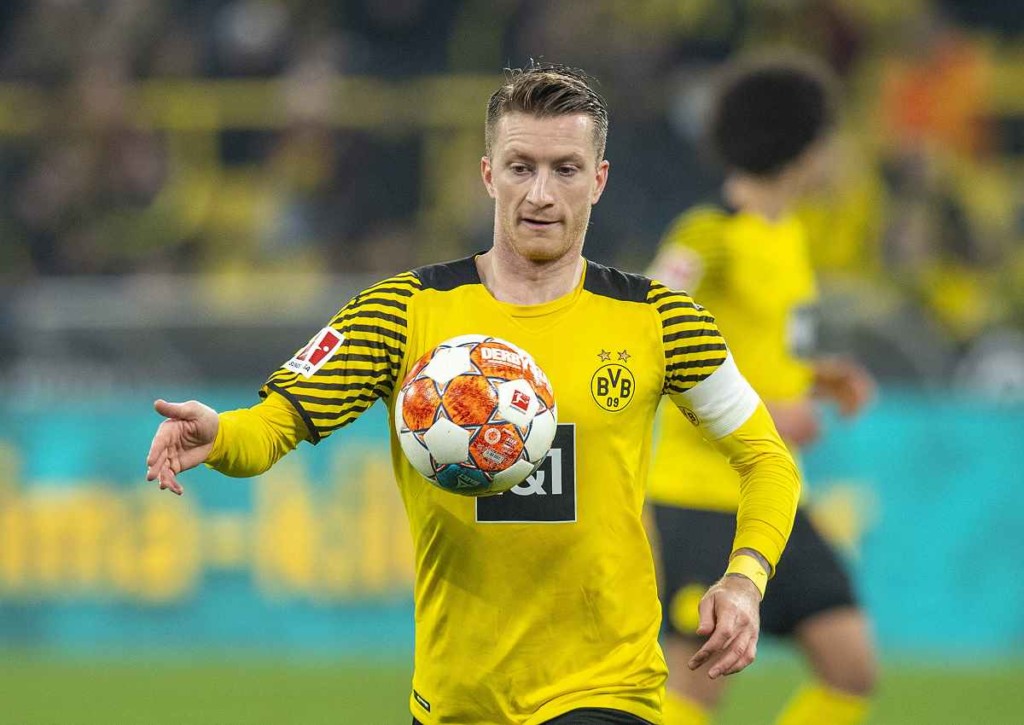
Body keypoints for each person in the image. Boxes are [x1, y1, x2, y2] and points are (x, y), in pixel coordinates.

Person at [145, 62, 801, 725]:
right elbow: (276, 423)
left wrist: (745, 579)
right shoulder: (403, 312)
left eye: (565, 170)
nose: (541, 193)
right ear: (489, 174)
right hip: (457, 696)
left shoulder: (658, 318)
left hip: (607, 686)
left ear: (598, 181)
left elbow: (767, 457)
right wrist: (220, 435)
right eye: (521, 167)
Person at [645, 54, 877, 725]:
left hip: (772, 495)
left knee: (852, 668)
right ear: (801, 146)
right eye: (826, 137)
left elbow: (768, 347)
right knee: (696, 686)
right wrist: (766, 409)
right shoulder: (708, 234)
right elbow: (649, 338)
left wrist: (818, 376)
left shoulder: (789, 233)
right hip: (699, 497)